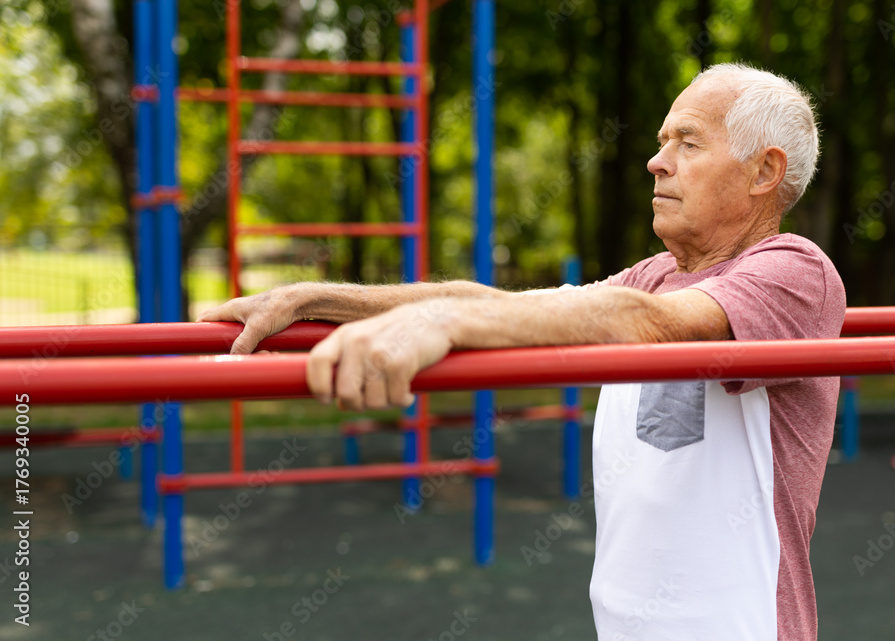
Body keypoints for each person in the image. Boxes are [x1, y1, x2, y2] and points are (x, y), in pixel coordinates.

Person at [200, 62, 846, 641]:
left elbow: (649, 321)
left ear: (764, 170)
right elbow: (495, 300)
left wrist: (444, 322)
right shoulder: (656, 274)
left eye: (688, 142)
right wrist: (318, 300)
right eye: (660, 142)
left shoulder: (794, 271)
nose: (658, 160)